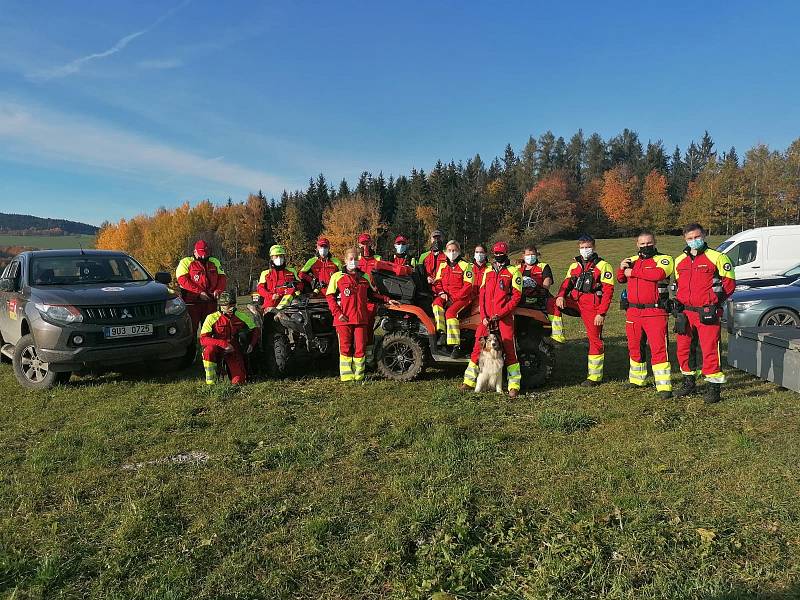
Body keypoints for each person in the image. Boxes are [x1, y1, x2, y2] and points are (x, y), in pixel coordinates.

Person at [673, 223, 736, 403]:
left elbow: (729, 284)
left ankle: (713, 387)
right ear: (685, 239)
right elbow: (678, 285)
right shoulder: (679, 261)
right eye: (690, 238)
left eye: (697, 237)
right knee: (684, 349)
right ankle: (688, 382)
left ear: (704, 235)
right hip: (685, 313)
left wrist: (715, 303)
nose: (694, 241)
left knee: (710, 349)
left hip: (707, 312)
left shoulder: (718, 257)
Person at [460, 241, 523, 398]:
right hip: (486, 318)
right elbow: (482, 295)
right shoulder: (488, 271)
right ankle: (469, 382)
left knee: (509, 349)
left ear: (506, 253)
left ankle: (514, 385)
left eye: (501, 254)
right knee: (477, 348)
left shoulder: (514, 271)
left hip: (504, 317)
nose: (498, 256)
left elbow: (516, 297)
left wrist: (500, 314)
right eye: (496, 253)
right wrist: (484, 317)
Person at [617, 231, 675, 399]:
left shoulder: (664, 259)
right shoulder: (631, 261)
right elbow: (621, 278)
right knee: (634, 346)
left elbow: (658, 275)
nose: (646, 246)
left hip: (655, 311)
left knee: (658, 348)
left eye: (649, 243)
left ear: (655, 242)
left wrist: (632, 272)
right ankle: (637, 380)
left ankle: (664, 386)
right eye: (642, 244)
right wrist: (622, 268)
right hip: (634, 311)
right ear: (637, 244)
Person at [326, 248, 397, 381]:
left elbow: (372, 295)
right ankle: (347, 377)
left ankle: (359, 376)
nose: (353, 262)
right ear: (345, 261)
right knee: (345, 348)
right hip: (343, 319)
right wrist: (338, 313)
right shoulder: (337, 277)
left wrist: (387, 299)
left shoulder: (364, 277)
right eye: (350, 259)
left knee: (360, 348)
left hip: (360, 319)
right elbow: (330, 297)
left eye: (355, 259)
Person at [555, 234, 615, 386]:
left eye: (587, 247)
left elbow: (608, 292)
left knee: (595, 340)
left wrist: (601, 313)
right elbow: (566, 283)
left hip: (593, 307)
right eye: (582, 248)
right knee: (552, 302)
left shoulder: (603, 266)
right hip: (575, 301)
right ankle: (557, 334)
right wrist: (561, 296)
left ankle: (594, 377)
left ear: (594, 247)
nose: (585, 250)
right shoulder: (574, 266)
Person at [200, 290, 259, 385]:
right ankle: (211, 382)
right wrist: (224, 344)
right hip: (218, 348)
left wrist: (251, 344)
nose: (232, 308)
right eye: (229, 306)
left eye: (233, 305)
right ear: (221, 306)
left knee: (239, 381)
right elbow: (203, 340)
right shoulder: (211, 318)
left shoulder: (241, 316)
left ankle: (230, 372)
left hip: (233, 350)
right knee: (208, 351)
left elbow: (255, 330)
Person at [432, 240, 475, 357]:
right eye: (449, 250)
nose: (452, 253)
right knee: (436, 304)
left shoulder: (466, 266)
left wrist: (453, 299)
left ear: (459, 251)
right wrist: (441, 293)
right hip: (445, 296)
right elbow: (437, 282)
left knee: (450, 313)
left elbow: (468, 286)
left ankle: (456, 346)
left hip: (462, 299)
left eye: (454, 250)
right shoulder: (443, 266)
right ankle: (442, 333)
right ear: (445, 252)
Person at [176, 240, 227, 334]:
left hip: (210, 302)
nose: (203, 256)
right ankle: (192, 348)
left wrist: (218, 290)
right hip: (192, 303)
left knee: (211, 329)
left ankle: (208, 347)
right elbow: (182, 280)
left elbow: (222, 278)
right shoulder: (185, 262)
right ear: (195, 251)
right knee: (191, 330)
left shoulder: (214, 261)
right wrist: (199, 292)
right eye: (201, 253)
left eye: (205, 253)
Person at [256, 245, 301, 310]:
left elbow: (300, 284)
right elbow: (260, 289)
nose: (279, 258)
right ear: (271, 258)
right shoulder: (265, 273)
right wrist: (271, 296)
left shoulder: (292, 271)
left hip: (290, 304)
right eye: (276, 256)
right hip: (271, 304)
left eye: (281, 256)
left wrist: (296, 286)